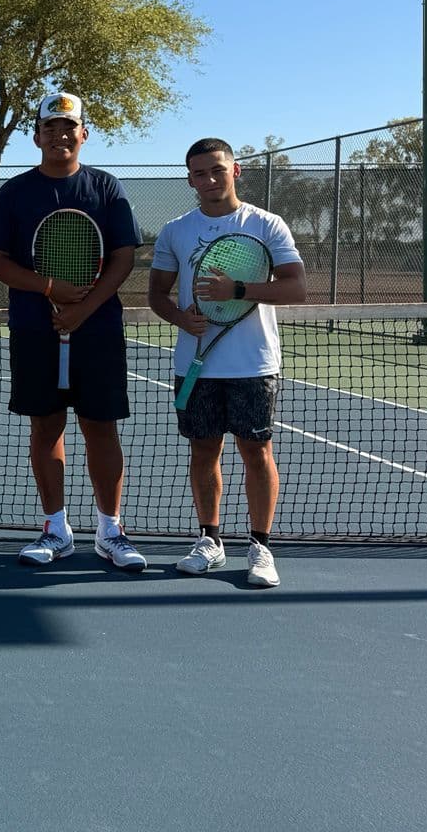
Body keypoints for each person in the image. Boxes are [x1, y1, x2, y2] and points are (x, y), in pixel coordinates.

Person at [0, 92, 146, 572]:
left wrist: (83, 309)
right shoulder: (15, 192)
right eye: (50, 128)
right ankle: (56, 529)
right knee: (46, 426)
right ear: (37, 136)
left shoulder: (106, 188)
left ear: (83, 135)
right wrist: (50, 286)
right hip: (34, 331)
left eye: (68, 127)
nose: (60, 135)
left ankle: (110, 531)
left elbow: (123, 258)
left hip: (97, 333)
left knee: (101, 428)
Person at [148, 138, 306, 588]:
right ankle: (209, 540)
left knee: (256, 452)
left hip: (254, 365)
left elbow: (296, 288)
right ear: (190, 179)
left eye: (217, 170)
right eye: (199, 173)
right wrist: (180, 317)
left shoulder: (267, 224)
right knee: (203, 451)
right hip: (195, 365)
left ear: (235, 171)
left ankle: (260, 546)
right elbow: (157, 293)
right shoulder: (175, 231)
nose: (209, 180)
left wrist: (237, 291)